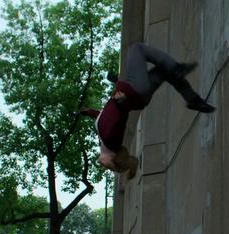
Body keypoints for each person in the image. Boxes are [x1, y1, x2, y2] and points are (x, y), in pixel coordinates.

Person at [80, 42, 215, 179]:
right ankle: (177, 69)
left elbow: (105, 115)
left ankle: (192, 99)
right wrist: (120, 95)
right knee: (137, 49)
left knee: (164, 71)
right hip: (134, 90)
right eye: (109, 166)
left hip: (138, 96)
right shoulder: (110, 138)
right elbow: (119, 116)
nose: (104, 167)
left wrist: (89, 112)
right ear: (114, 156)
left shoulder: (105, 140)